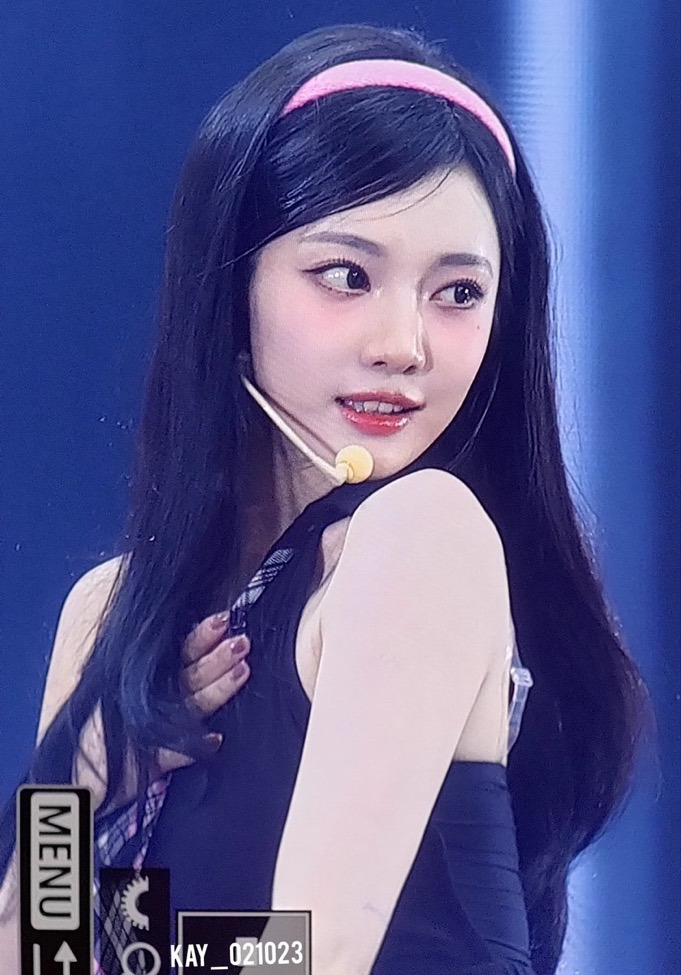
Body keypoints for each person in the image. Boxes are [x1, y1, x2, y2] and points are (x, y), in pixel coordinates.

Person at [0, 22, 656, 975]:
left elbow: (309, 954)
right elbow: (36, 951)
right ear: (234, 286)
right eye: (345, 276)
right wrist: (84, 774)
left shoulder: (419, 536)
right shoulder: (107, 614)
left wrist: (134, 944)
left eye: (458, 292)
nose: (402, 344)